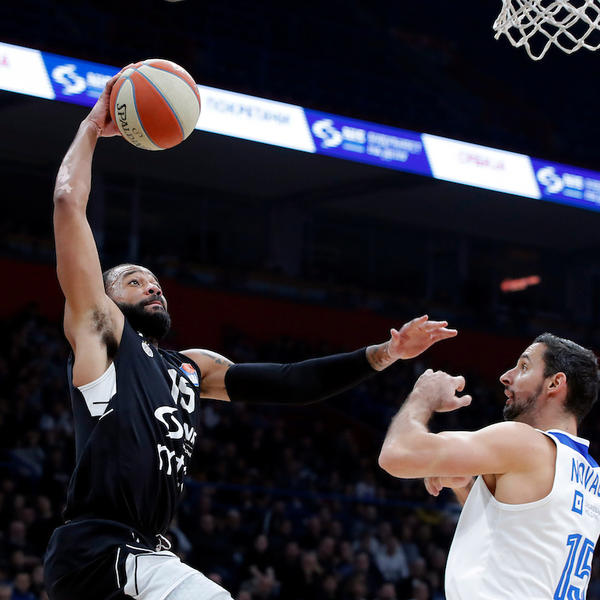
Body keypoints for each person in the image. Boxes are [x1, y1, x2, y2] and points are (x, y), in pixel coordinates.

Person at [43, 70, 458, 600]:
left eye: (154, 280)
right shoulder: (102, 337)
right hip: (102, 551)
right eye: (133, 280)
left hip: (137, 555)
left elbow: (289, 383)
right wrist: (91, 127)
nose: (152, 286)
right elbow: (67, 202)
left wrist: (385, 353)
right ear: (105, 298)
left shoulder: (191, 367)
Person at [378, 333, 600, 599]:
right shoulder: (590, 475)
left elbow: (397, 454)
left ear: (555, 383)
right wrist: (467, 490)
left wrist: (423, 396)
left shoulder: (523, 441)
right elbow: (521, 537)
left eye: (524, 366)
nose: (506, 376)